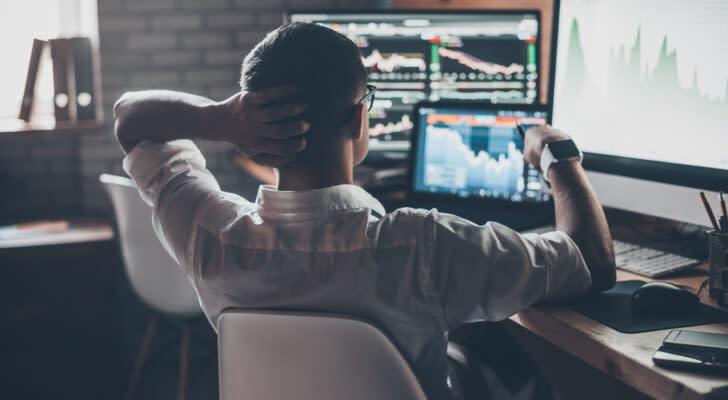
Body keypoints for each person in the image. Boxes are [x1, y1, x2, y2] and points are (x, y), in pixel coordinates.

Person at [114, 22, 616, 400]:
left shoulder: (210, 236)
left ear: (250, 133)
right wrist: (558, 155)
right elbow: (591, 262)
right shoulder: (422, 245)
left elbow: (129, 119)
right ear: (359, 118)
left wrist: (217, 119)